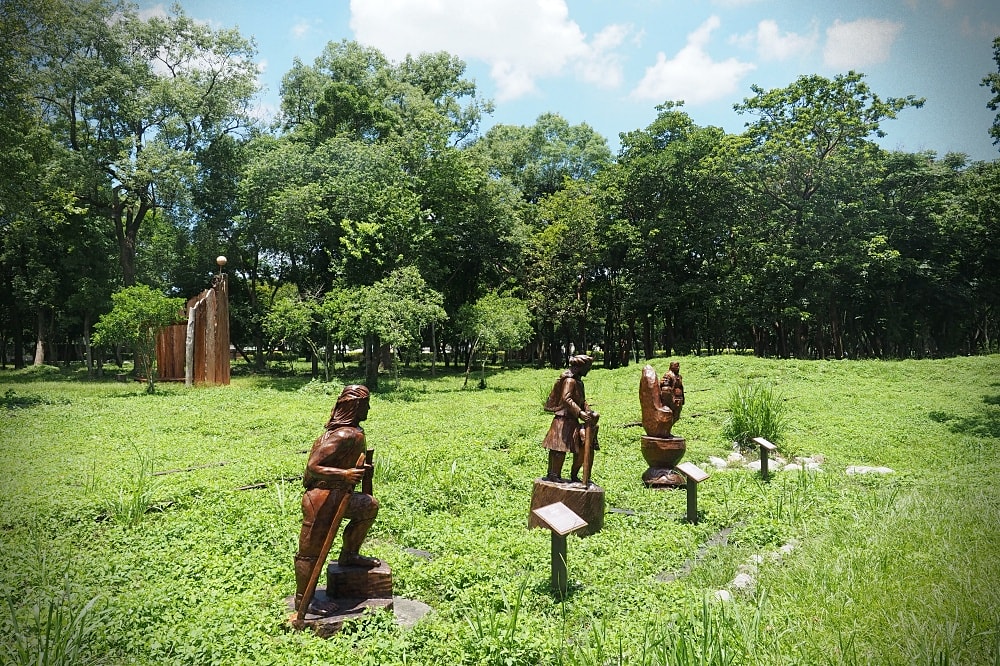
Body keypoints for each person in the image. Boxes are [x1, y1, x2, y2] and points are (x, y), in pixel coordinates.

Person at [294, 384, 379, 614]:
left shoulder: (354, 432)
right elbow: (313, 467)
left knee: (368, 507)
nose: (369, 409)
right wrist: (345, 474)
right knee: (311, 551)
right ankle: (304, 600)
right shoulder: (342, 435)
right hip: (321, 499)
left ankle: (349, 554)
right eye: (366, 405)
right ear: (356, 407)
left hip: (340, 495)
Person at [542, 355, 599, 483]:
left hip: (571, 419)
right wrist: (580, 413)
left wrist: (588, 411)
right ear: (580, 367)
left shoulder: (579, 382)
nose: (588, 370)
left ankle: (565, 475)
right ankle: (553, 475)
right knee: (558, 448)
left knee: (566, 448)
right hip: (563, 419)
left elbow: (582, 401)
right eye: (587, 367)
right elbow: (566, 399)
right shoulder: (570, 381)